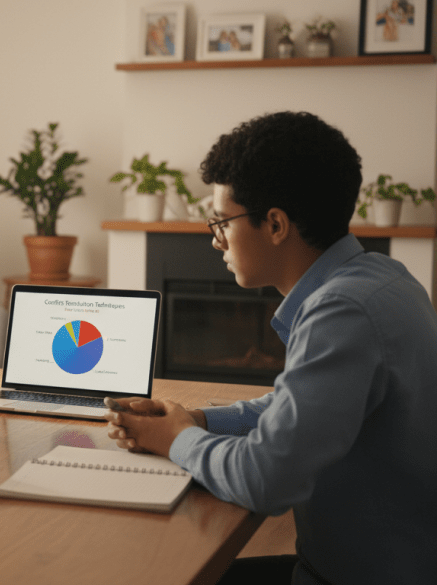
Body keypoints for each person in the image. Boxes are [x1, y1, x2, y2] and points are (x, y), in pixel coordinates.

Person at [106, 112, 437, 585]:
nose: (216, 239)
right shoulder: (383, 278)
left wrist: (174, 439)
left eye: (221, 221)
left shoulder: (342, 312)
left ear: (276, 224)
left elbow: (265, 480)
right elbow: (300, 409)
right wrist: (197, 420)